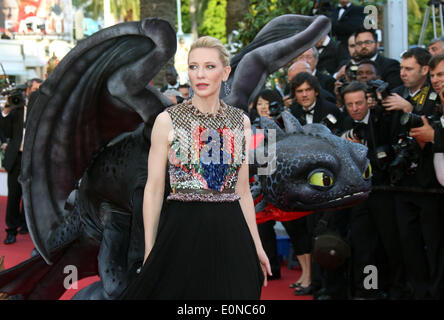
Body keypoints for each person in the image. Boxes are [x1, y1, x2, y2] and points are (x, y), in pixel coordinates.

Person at [119, 36, 270, 300]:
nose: (199, 74)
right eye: (193, 66)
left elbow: (243, 192)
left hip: (231, 232)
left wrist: (257, 244)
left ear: (225, 73)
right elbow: (153, 190)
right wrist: (150, 249)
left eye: (209, 67)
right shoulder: (167, 121)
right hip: (181, 232)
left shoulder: (241, 123)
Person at [383, 48, 444, 299]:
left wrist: (411, 111)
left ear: (424, 70)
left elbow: (429, 132)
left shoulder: (434, 99)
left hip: (431, 187)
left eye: (408, 69)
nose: (403, 73)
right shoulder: (394, 94)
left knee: (436, 246)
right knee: (408, 245)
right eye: (401, 68)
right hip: (402, 183)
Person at [340, 81, 406, 299]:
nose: (355, 108)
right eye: (350, 104)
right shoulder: (344, 124)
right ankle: (368, 289)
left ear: (367, 101)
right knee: (363, 245)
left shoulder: (383, 120)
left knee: (390, 243)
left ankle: (396, 288)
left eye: (359, 103)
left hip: (384, 192)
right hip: (360, 195)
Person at [0, 78, 41, 244]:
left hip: (33, 159)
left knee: (29, 195)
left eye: (41, 89)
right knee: (14, 196)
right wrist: (7, 109)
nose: (38, 92)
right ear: (28, 90)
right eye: (36, 89)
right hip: (16, 158)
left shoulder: (42, 111)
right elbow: (5, 130)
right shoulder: (17, 109)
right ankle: (11, 230)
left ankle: (26, 224)